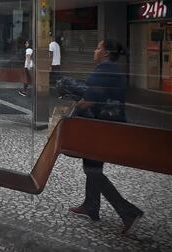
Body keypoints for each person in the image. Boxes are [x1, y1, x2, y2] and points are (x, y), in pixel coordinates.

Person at [69, 39, 144, 235]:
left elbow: (88, 101)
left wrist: (70, 111)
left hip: (102, 127)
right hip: (107, 126)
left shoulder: (105, 70)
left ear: (106, 52)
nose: (95, 51)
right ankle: (91, 206)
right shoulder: (113, 69)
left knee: (92, 169)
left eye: (98, 47)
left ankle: (128, 211)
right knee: (92, 166)